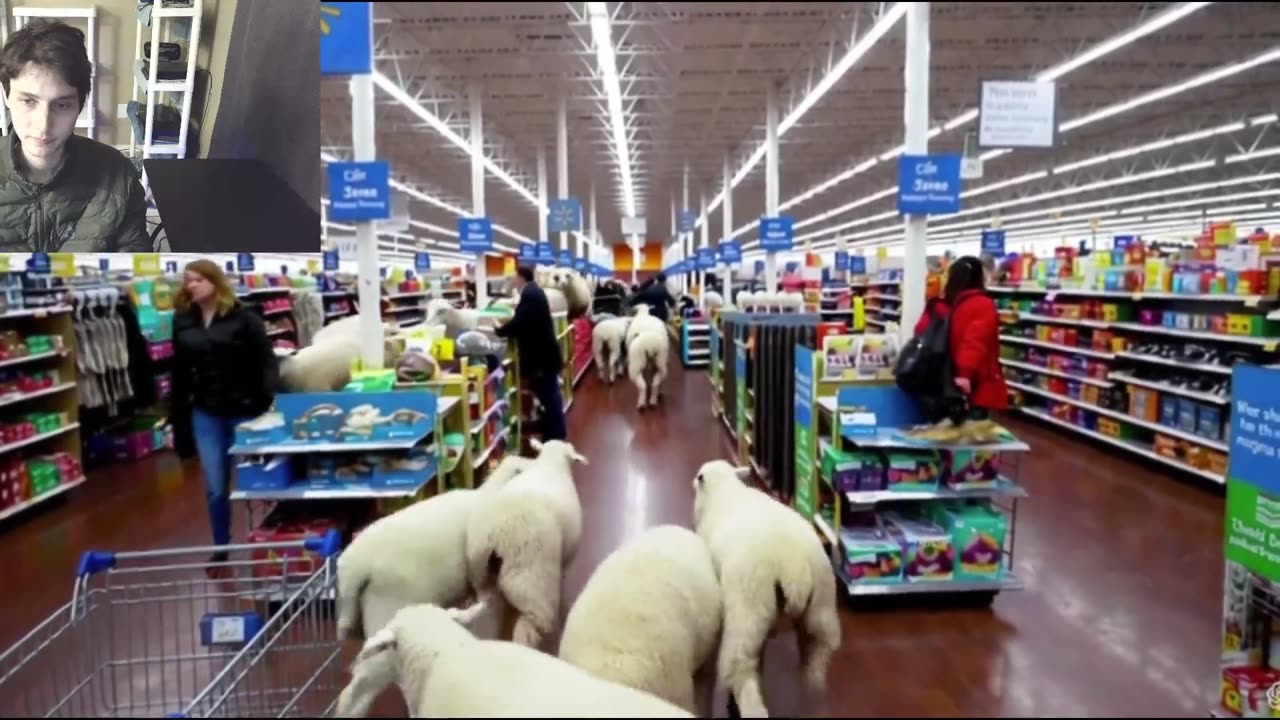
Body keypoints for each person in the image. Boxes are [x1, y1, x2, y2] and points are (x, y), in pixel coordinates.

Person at [0, 19, 150, 252]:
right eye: (28, 101)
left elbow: (134, 259)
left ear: (80, 104)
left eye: (61, 105)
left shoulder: (118, 175)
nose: (44, 125)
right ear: (6, 95)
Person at [171, 260, 279, 574]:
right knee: (216, 487)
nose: (191, 285)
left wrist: (266, 400)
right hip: (206, 412)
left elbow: (267, 361)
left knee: (256, 483)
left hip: (245, 411)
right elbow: (179, 371)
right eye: (188, 280)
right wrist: (177, 417)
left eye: (198, 279)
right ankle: (221, 548)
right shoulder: (183, 321)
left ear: (215, 282)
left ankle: (269, 542)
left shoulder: (245, 319)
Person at [913, 255, 1009, 418]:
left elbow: (920, 332)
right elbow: (975, 343)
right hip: (973, 385)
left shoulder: (938, 304)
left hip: (939, 380)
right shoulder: (982, 304)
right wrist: (964, 375)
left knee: (943, 428)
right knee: (972, 430)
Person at [495, 266, 567, 441]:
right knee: (550, 396)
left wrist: (499, 330)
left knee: (549, 396)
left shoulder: (530, 295)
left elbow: (519, 323)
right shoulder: (534, 292)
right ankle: (554, 431)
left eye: (513, 276)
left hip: (541, 358)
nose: (512, 279)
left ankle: (555, 435)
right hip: (545, 356)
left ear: (521, 277)